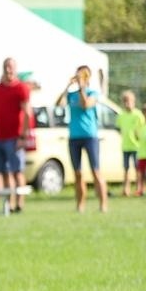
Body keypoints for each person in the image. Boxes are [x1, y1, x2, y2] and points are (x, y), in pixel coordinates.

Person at [0, 58, 33, 214]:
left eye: (11, 67)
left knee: (17, 171)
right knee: (3, 172)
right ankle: (9, 203)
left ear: (15, 69)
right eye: (6, 67)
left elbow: (27, 113)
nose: (8, 70)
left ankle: (20, 203)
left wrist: (23, 136)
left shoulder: (21, 88)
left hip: (14, 137)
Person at [55, 65, 108, 213]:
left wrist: (82, 88)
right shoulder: (71, 95)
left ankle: (103, 204)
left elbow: (85, 105)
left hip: (90, 137)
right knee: (78, 174)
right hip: (74, 138)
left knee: (95, 171)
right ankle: (80, 205)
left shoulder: (92, 93)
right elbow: (59, 104)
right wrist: (67, 87)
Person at [115, 90, 144, 198]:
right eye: (125, 101)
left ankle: (138, 189)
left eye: (129, 101)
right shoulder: (121, 115)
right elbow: (119, 128)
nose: (127, 103)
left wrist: (138, 136)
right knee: (126, 169)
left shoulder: (138, 115)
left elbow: (143, 129)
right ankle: (126, 189)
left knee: (137, 169)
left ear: (134, 101)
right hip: (125, 146)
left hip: (136, 146)